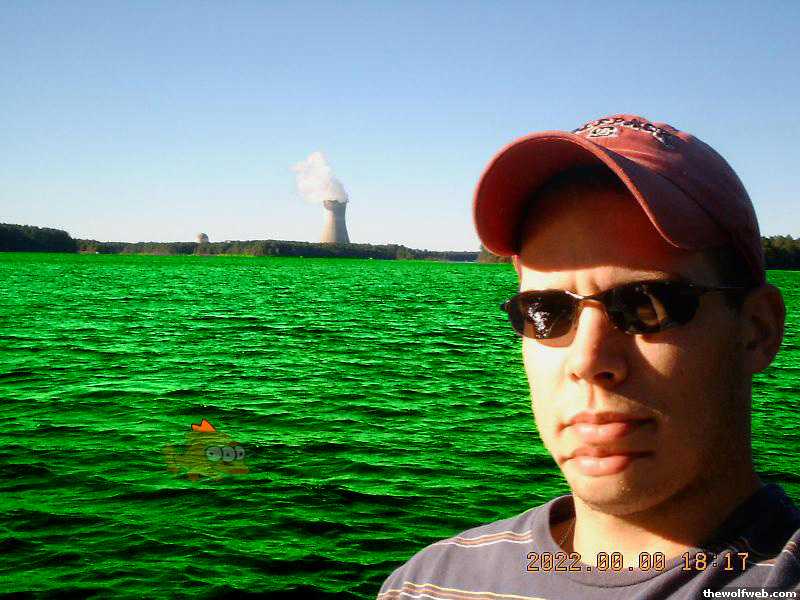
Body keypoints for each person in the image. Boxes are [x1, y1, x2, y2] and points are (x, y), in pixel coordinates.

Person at [377, 115, 800, 599]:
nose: (587, 359)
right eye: (546, 311)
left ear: (757, 331)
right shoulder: (424, 585)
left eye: (647, 305)